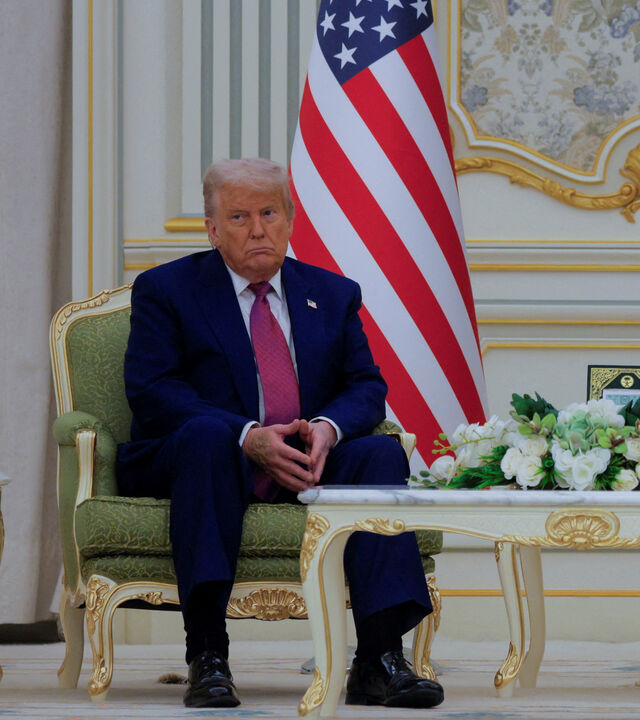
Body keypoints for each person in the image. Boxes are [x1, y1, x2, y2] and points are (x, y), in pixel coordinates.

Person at [118, 158, 443, 709]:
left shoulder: (333, 293)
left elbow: (366, 385)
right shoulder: (167, 289)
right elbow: (152, 389)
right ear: (213, 228)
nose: (257, 229)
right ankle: (208, 656)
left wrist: (327, 428)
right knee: (204, 437)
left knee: (380, 454)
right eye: (239, 217)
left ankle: (380, 660)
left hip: (302, 458)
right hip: (207, 459)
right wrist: (245, 435)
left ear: (289, 218)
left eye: (269, 212)